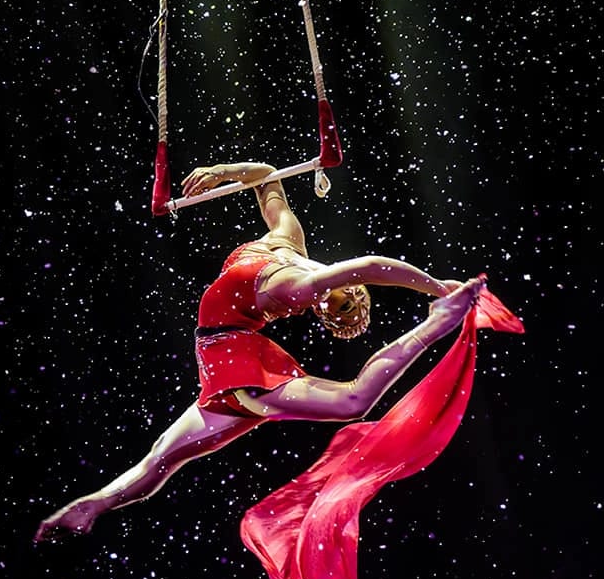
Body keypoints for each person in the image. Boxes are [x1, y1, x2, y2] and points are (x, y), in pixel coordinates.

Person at [34, 161, 484, 542]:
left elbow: (266, 177)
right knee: (352, 400)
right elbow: (367, 263)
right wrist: (436, 287)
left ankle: (90, 507)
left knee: (162, 460)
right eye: (344, 302)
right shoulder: (299, 282)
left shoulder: (287, 244)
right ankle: (439, 320)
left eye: (334, 311)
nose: (331, 306)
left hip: (225, 357)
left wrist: (221, 173)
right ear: (347, 287)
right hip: (233, 357)